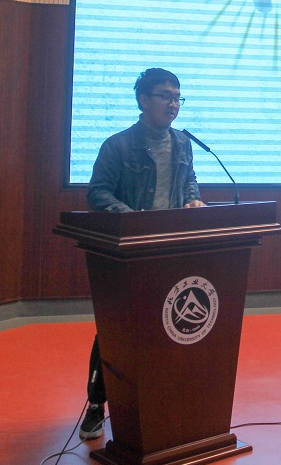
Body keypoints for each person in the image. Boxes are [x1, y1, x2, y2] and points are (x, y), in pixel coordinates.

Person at [79, 67, 206, 440]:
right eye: (166, 96)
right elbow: (97, 192)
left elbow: (189, 181)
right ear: (143, 100)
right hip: (130, 252)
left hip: (172, 251)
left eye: (178, 97)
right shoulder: (117, 146)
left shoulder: (183, 143)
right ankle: (96, 405)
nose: (173, 104)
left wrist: (193, 199)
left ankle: (163, 401)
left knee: (170, 327)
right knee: (116, 330)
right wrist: (131, 219)